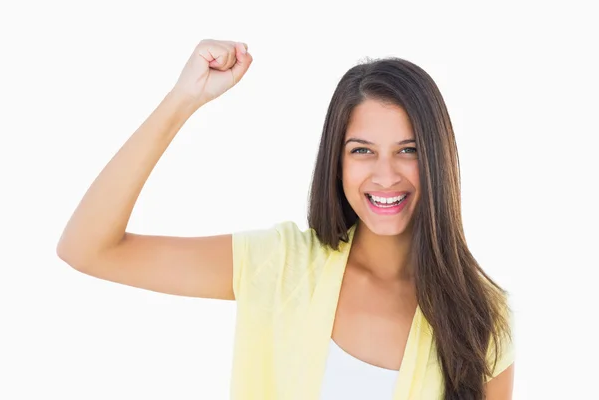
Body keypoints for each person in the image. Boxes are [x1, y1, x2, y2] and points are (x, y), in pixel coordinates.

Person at [57, 39, 515, 399]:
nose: (385, 175)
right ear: (336, 162)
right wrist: (183, 99)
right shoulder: (279, 266)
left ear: (438, 159)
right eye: (362, 151)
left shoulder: (483, 318)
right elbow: (88, 249)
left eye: (408, 150)